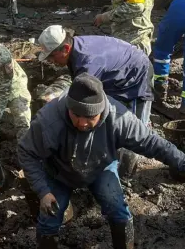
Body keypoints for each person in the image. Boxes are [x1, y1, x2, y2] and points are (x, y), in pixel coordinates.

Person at [18, 74, 185, 249]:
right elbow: (26, 152)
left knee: (118, 209)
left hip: (100, 167)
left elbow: (155, 145)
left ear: (102, 109)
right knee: (49, 218)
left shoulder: (118, 117)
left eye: (89, 117)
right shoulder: (49, 120)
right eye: (76, 115)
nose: (81, 123)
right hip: (59, 172)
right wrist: (43, 191)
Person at [37, 25, 153, 179]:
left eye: (52, 56)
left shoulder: (88, 62)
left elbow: (81, 96)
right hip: (114, 74)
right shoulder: (75, 48)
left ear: (65, 48)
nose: (51, 61)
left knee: (132, 129)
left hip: (136, 77)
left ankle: (125, 175)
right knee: (109, 119)